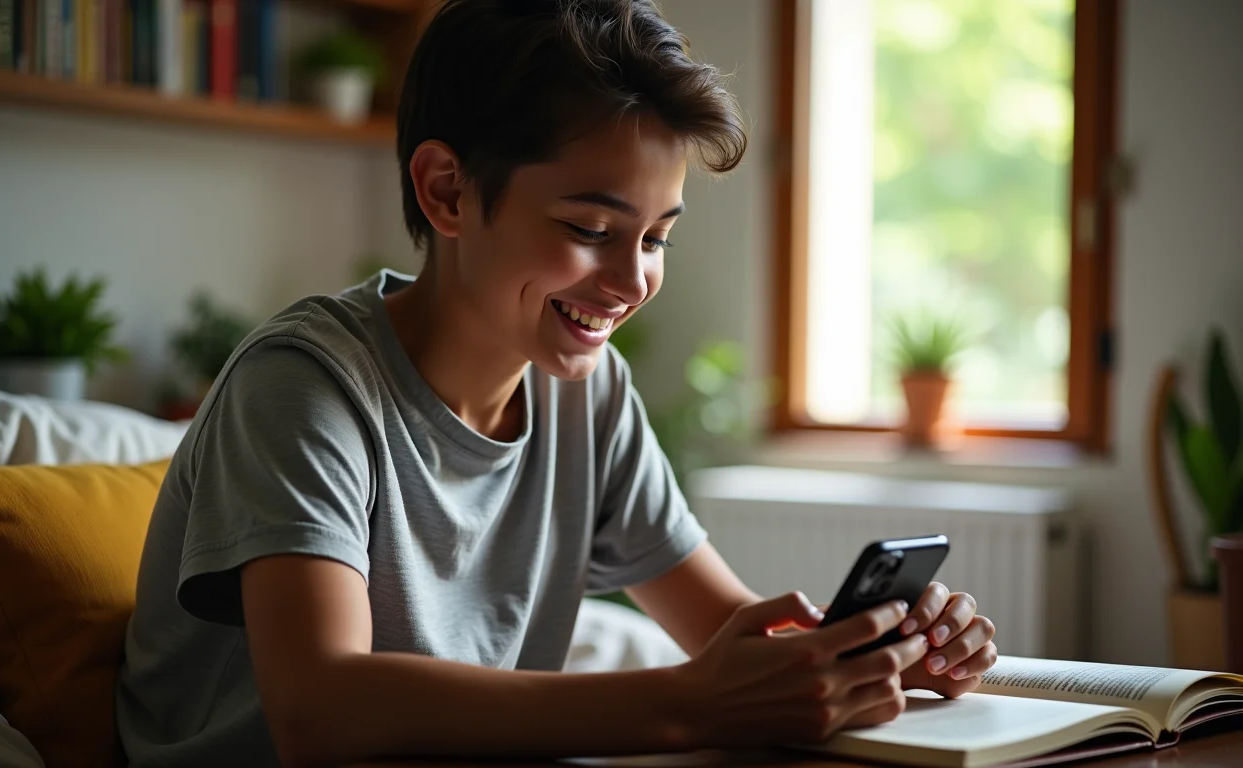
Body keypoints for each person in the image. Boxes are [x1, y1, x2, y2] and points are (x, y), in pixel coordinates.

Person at [116, 0, 998, 765]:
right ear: (447, 192)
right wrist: (693, 703)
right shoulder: (306, 386)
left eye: (656, 237)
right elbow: (321, 710)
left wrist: (870, 653)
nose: (632, 280)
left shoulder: (589, 392)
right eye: (590, 227)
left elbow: (727, 631)